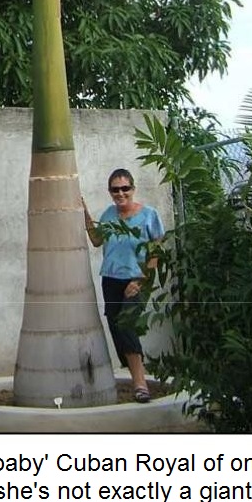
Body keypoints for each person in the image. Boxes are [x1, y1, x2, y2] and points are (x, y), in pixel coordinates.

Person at [82, 168, 164, 403]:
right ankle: (135, 376)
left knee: (127, 325)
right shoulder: (108, 215)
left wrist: (140, 281)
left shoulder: (149, 215)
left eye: (125, 188)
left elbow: (157, 250)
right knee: (117, 328)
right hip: (111, 278)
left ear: (133, 189)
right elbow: (97, 240)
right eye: (115, 189)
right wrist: (85, 214)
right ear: (110, 192)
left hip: (137, 280)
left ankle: (140, 383)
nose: (120, 193)